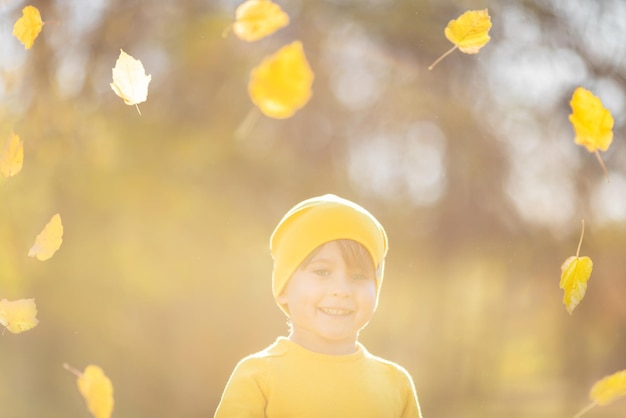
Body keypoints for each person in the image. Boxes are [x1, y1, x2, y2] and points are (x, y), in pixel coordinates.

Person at [214, 194, 422, 417]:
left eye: (359, 276)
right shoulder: (258, 377)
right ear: (284, 287)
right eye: (322, 272)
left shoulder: (396, 385)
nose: (342, 290)